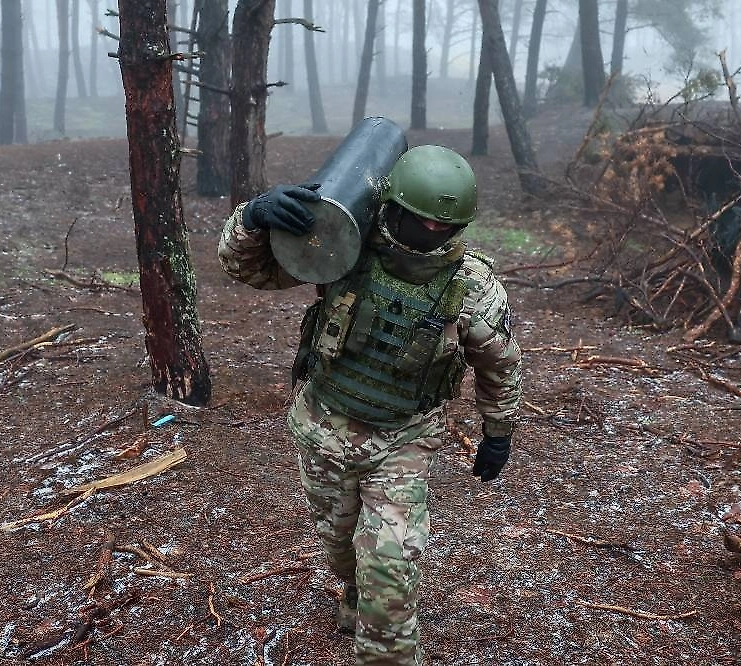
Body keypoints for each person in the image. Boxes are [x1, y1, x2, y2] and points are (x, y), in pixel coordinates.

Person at [217, 144, 522, 665]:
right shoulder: (345, 246)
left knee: (389, 567)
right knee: (340, 547)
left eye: (441, 227)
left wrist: (499, 431)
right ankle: (355, 591)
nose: (428, 234)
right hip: (323, 425)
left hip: (404, 438)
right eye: (417, 222)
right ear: (393, 207)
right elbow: (251, 271)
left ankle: (381, 632)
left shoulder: (471, 287)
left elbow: (499, 362)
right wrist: (252, 217)